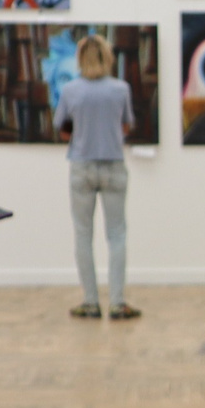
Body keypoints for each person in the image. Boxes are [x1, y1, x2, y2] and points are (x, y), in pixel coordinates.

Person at [57, 32, 137, 320]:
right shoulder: (120, 89)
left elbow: (64, 130)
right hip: (114, 165)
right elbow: (126, 126)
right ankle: (117, 303)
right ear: (107, 56)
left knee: (83, 234)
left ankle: (90, 302)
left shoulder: (71, 90)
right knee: (117, 235)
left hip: (82, 166)